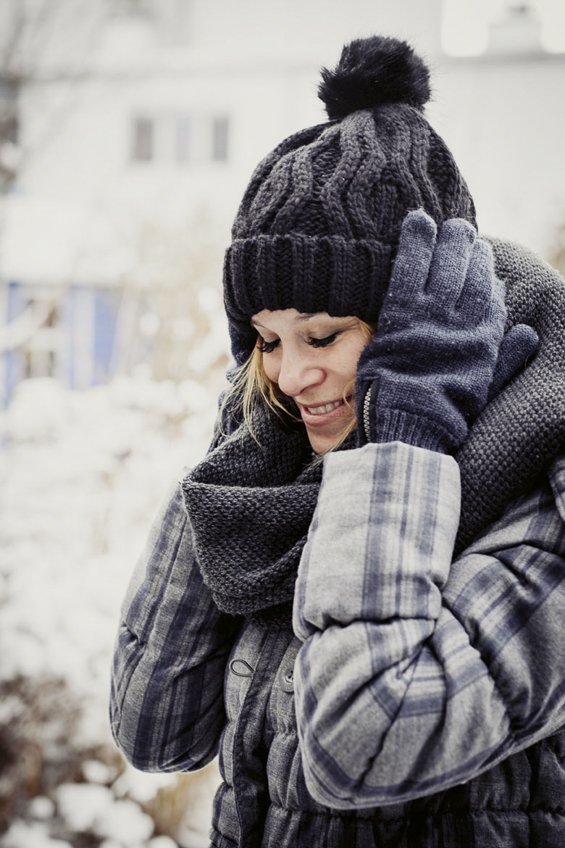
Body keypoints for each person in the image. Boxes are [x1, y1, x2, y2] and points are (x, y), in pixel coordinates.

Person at [110, 35, 565, 847]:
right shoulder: (296, 483)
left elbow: (364, 745)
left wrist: (404, 445)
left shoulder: (539, 494)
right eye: (266, 340)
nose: (288, 376)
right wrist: (240, 444)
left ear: (419, 327)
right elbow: (154, 728)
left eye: (322, 336)